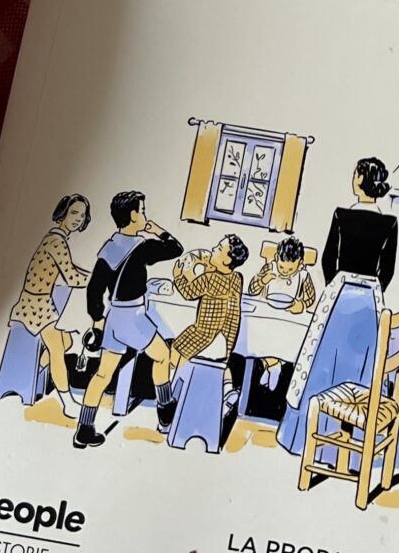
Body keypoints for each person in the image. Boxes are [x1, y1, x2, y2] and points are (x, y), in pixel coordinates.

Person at [279, 156, 399, 457]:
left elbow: (327, 259)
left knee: (322, 366)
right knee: (359, 367)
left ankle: (306, 439)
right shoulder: (389, 222)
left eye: (355, 173)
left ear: (361, 179)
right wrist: (370, 288)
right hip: (369, 303)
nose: (353, 178)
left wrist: (339, 284)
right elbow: (387, 271)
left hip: (340, 297)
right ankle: (350, 450)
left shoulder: (342, 215)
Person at [74, 191, 184, 450]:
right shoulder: (141, 247)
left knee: (102, 374)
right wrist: (157, 230)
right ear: (134, 215)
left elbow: (94, 288)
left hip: (113, 316)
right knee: (163, 356)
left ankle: (84, 430)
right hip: (133, 317)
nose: (145, 215)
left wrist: (97, 319)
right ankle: (166, 412)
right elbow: (175, 249)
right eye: (142, 211)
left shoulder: (110, 246)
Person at [0, 194, 91, 416]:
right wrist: (100, 279)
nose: (78, 218)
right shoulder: (56, 241)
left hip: (41, 303)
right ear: (63, 213)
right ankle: (67, 402)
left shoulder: (57, 238)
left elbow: (70, 270)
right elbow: (72, 277)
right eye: (74, 213)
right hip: (34, 306)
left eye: (82, 215)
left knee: (66, 341)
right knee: (57, 349)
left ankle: (30, 371)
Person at [167, 234, 250, 382]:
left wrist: (178, 276)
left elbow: (188, 292)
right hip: (226, 338)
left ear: (226, 260)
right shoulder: (237, 278)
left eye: (219, 248)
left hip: (203, 334)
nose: (213, 249)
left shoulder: (210, 278)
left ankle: (173, 381)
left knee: (172, 355)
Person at [246, 234, 316, 391]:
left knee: (287, 339)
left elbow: (310, 298)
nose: (285, 271)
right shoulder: (269, 268)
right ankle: (274, 365)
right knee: (257, 336)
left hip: (287, 319)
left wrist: (302, 305)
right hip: (266, 315)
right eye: (282, 267)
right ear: (277, 258)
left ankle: (272, 365)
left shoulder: (303, 275)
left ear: (300, 264)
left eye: (290, 269)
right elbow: (252, 290)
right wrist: (263, 280)